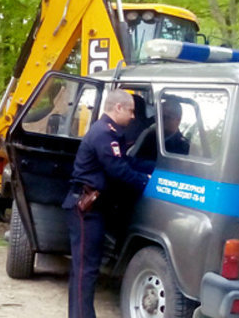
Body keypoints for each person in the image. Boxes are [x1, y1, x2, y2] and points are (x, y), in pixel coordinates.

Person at [61, 89, 153, 318]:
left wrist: (149, 168)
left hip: (93, 207)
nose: (134, 116)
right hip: (86, 208)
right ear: (118, 108)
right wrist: (146, 182)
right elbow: (117, 169)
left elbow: (125, 161)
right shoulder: (104, 133)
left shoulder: (110, 133)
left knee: (83, 269)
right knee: (86, 270)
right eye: (131, 110)